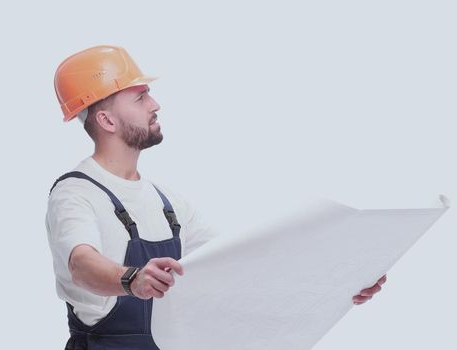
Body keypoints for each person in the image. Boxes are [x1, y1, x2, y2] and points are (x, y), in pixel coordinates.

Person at [46, 45, 386, 350]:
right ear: (106, 120)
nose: (156, 104)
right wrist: (132, 279)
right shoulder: (76, 193)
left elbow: (241, 269)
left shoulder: (167, 204)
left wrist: (340, 281)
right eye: (140, 97)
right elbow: (81, 265)